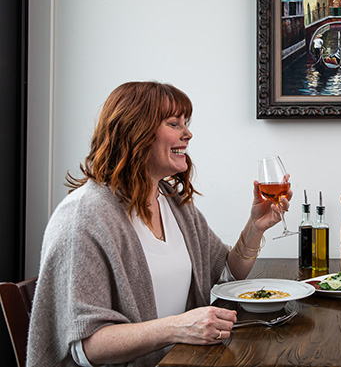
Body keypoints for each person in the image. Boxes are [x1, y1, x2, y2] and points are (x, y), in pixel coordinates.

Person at [26, 81, 292, 366]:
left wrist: (255, 226)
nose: (188, 134)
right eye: (174, 124)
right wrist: (177, 328)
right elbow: (85, 347)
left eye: (185, 123)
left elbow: (227, 272)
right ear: (135, 131)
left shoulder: (173, 203)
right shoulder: (84, 217)